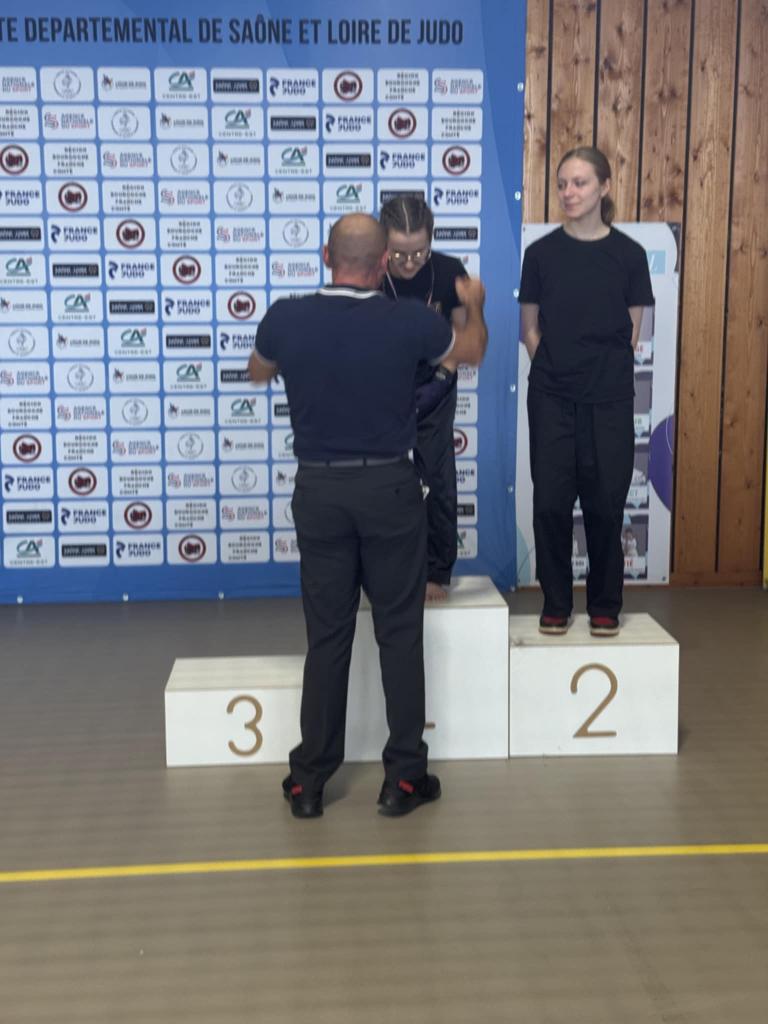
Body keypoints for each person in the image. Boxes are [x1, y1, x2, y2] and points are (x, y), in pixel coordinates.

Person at [249, 214, 488, 818]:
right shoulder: (410, 320)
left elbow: (258, 371)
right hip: (389, 488)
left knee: (327, 637)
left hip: (320, 490)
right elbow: (473, 351)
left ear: (325, 255)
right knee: (399, 634)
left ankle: (308, 782)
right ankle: (404, 779)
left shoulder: (284, 317)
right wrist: (476, 306)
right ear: (384, 264)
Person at [518, 146, 654, 638]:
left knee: (605, 505)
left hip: (609, 401)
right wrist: (558, 370)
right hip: (552, 398)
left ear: (604, 187)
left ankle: (604, 605)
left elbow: (631, 332)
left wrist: (597, 374)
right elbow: (529, 328)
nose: (568, 192)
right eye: (562, 184)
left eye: (579, 183)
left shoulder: (630, 255)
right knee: (551, 505)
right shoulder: (540, 254)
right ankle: (556, 602)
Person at [379, 197, 468, 601]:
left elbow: (462, 335)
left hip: (436, 381)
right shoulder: (369, 274)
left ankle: (436, 570)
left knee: (437, 477)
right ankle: (384, 570)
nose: (409, 262)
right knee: (380, 482)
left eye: (419, 252)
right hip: (380, 389)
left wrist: (442, 378)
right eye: (398, 253)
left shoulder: (448, 271)